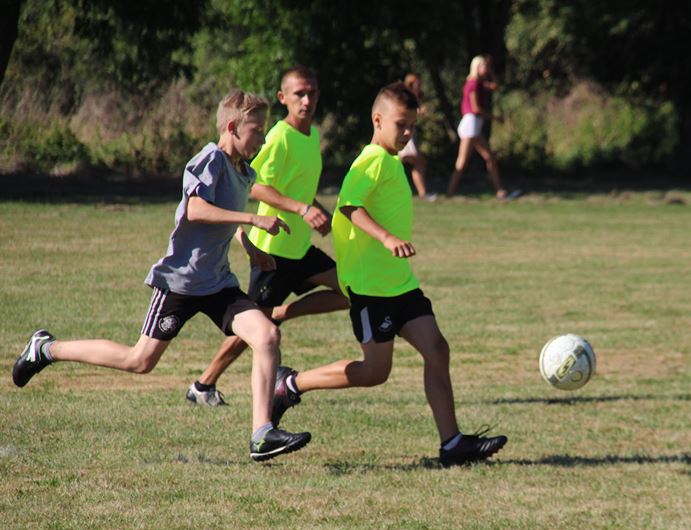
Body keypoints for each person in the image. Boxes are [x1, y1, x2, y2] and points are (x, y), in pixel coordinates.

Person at [12, 90, 312, 462]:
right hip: (181, 283)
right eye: (256, 130)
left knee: (267, 335)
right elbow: (197, 210)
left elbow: (226, 219)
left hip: (218, 283)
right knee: (140, 361)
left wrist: (251, 247)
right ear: (233, 127)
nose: (263, 138)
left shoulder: (243, 172)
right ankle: (46, 348)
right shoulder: (210, 159)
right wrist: (253, 218)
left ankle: (262, 434)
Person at [270, 82, 508, 467]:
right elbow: (349, 207)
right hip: (370, 289)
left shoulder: (391, 160)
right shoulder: (371, 161)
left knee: (437, 349)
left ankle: (452, 444)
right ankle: (290, 385)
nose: (408, 132)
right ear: (377, 120)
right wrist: (387, 237)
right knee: (375, 372)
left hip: (399, 283)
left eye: (413, 125)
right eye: (401, 124)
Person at [186, 65, 349, 407]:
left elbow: (297, 189)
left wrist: (319, 211)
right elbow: (256, 186)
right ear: (283, 98)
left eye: (313, 93)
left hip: (300, 246)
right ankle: (203, 385)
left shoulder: (312, 135)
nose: (307, 100)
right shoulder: (276, 136)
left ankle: (281, 312)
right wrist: (304, 209)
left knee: (351, 289)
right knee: (250, 331)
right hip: (272, 251)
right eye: (299, 94)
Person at [446, 55, 516, 199]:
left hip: (474, 125)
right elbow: (476, 108)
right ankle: (450, 193)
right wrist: (495, 118)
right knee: (463, 161)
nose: (485, 68)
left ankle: (499, 190)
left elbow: (496, 86)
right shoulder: (473, 84)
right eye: (483, 66)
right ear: (476, 67)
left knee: (489, 157)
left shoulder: (480, 83)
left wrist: (490, 72)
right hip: (471, 125)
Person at [397, 73, 436, 201]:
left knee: (417, 163)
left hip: (410, 134)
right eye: (416, 83)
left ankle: (422, 193)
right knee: (415, 162)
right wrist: (418, 112)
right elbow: (401, 113)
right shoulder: (405, 97)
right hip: (404, 134)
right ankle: (421, 193)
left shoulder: (415, 97)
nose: (419, 85)